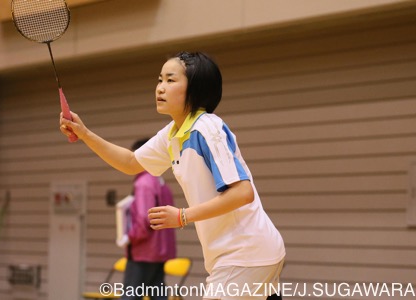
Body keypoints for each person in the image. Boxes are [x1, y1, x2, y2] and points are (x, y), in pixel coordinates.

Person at [60, 51, 285, 300]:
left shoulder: (207, 128)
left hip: (245, 254)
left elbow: (243, 192)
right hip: (240, 255)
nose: (160, 88)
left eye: (170, 80)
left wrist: (182, 216)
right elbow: (131, 162)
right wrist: (84, 134)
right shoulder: (173, 134)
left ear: (195, 88)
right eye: (159, 80)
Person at [118, 138, 176, 300]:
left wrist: (129, 237)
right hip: (160, 251)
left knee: (129, 297)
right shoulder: (161, 182)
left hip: (143, 251)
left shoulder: (143, 183)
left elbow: (144, 220)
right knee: (158, 295)